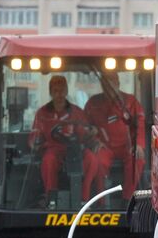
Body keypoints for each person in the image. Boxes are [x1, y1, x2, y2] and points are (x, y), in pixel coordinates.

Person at [30, 75, 96, 207]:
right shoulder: (42, 113)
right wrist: (34, 143)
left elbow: (85, 132)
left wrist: (91, 133)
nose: (59, 94)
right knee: (49, 161)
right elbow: (35, 136)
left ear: (66, 91)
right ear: (50, 92)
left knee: (92, 159)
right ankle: (52, 199)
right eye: (55, 91)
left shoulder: (77, 112)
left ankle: (84, 199)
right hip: (54, 149)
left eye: (62, 90)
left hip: (76, 149)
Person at [82, 71, 147, 199]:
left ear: (118, 83)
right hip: (104, 147)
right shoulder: (93, 103)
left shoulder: (130, 102)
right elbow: (84, 127)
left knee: (136, 158)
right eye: (106, 83)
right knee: (98, 161)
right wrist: (93, 140)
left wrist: (138, 144)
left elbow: (139, 123)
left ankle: (128, 200)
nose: (110, 86)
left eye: (112, 82)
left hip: (126, 146)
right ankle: (102, 202)